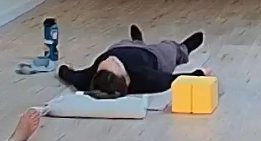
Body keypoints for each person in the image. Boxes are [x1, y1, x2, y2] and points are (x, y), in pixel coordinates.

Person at [56, 24, 207, 98]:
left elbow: (67, 74)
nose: (110, 59)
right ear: (126, 77)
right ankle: (185, 48)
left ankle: (137, 41)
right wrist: (199, 73)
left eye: (105, 64)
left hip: (122, 47)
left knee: (124, 43)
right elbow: (173, 80)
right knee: (170, 48)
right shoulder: (146, 78)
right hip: (155, 56)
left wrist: (65, 69)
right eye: (115, 64)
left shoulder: (87, 79)